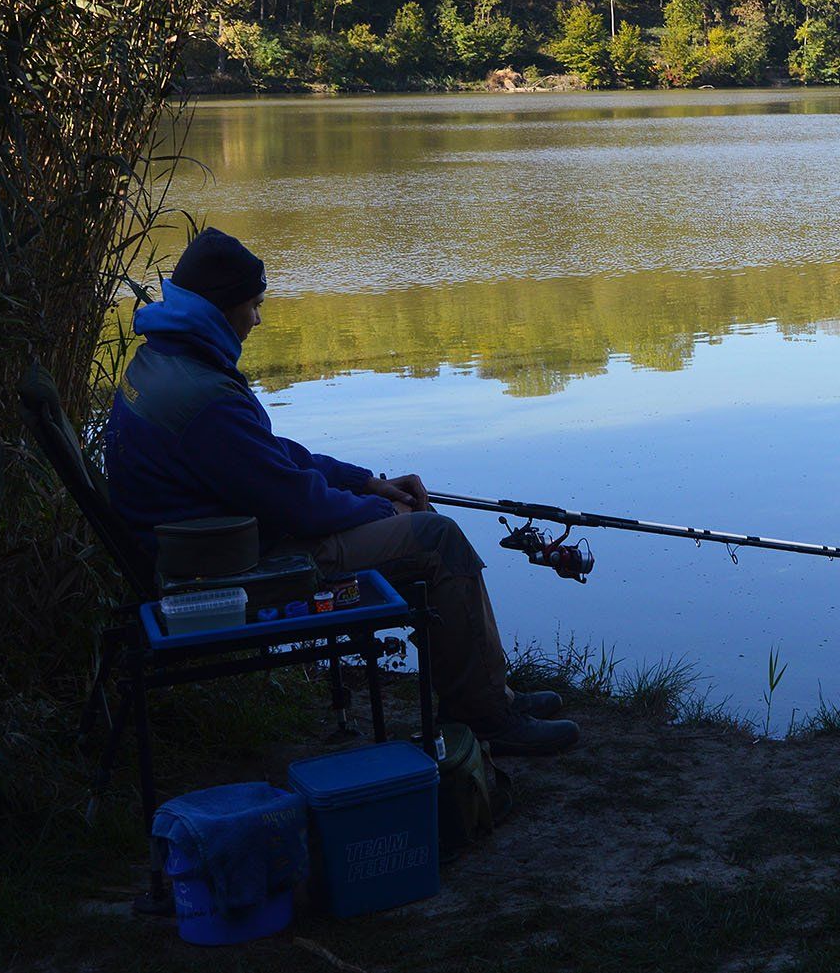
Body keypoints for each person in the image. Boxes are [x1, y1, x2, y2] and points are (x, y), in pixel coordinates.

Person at [105, 227, 577, 756]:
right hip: (232, 571)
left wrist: (363, 480)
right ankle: (487, 714)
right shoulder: (205, 396)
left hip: (205, 545)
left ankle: (489, 692)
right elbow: (301, 507)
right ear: (220, 309)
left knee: (414, 529)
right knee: (436, 540)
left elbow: (269, 453)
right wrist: (383, 509)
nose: (258, 320)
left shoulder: (166, 359)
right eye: (254, 305)